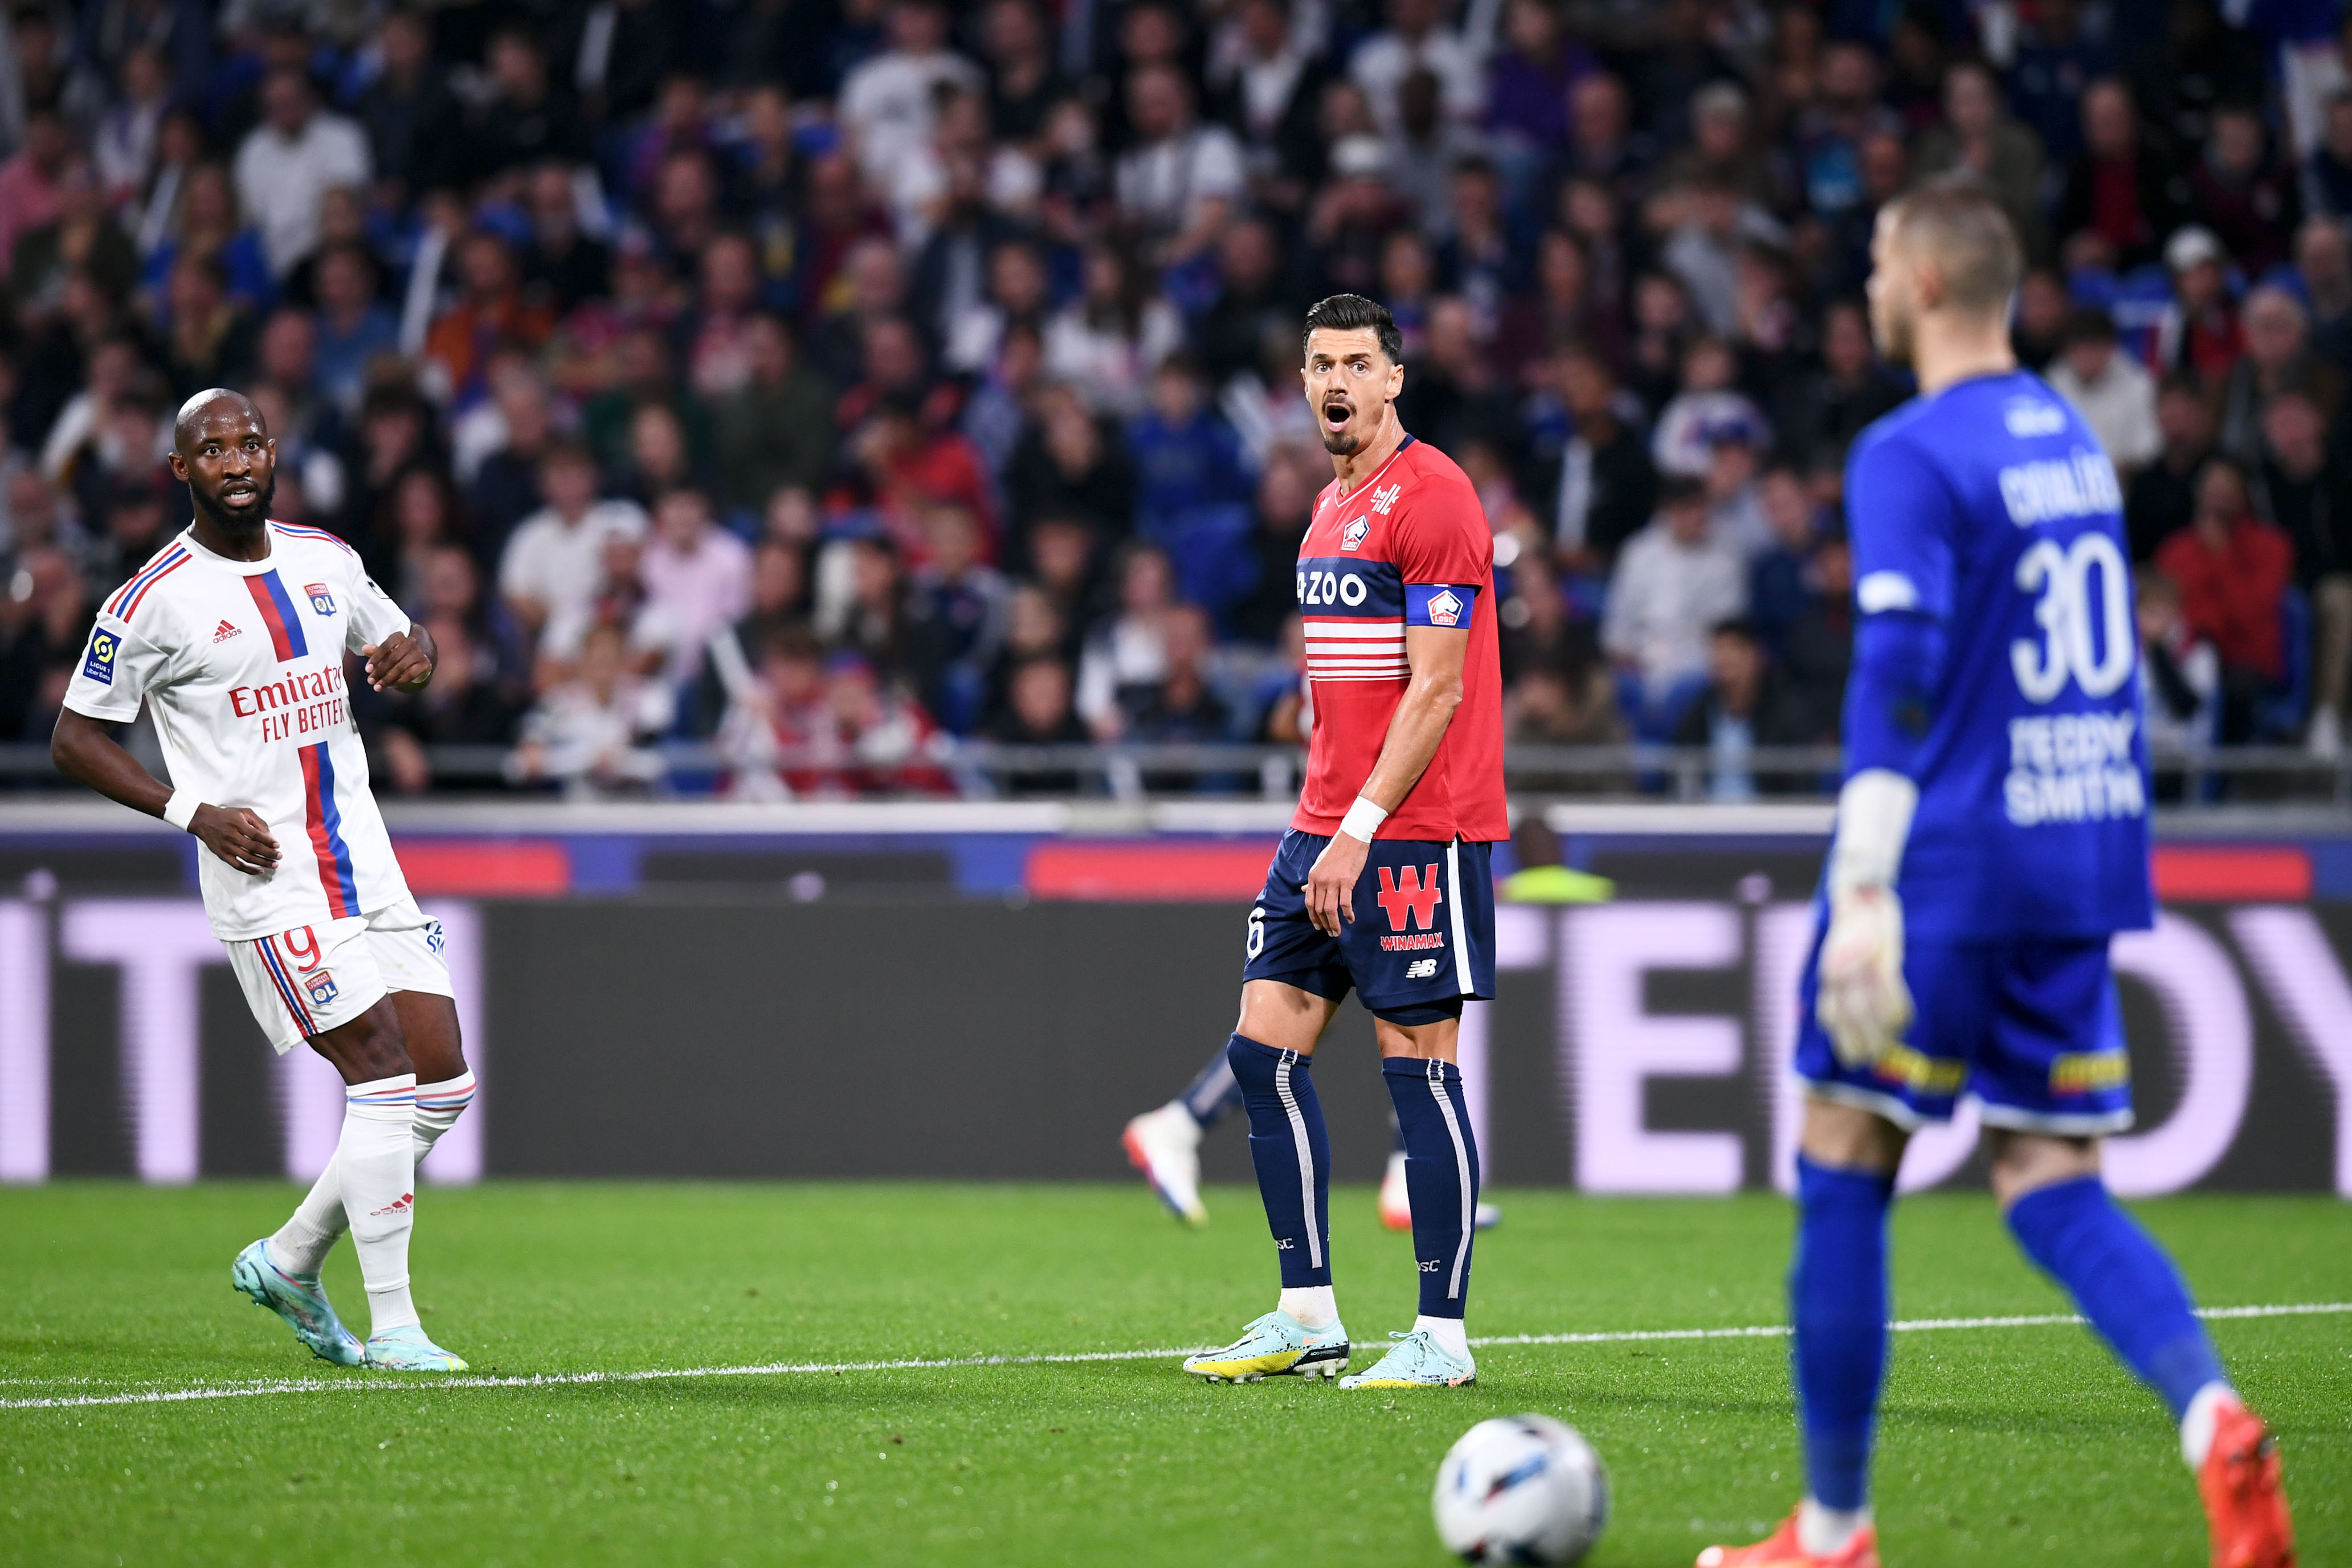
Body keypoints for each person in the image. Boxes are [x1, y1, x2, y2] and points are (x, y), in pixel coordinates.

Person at [1698, 185, 2293, 1568]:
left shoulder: (1910, 449)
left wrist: (1861, 884)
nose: (1862, 285)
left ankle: (1834, 1529)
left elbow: (1899, 675)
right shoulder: (2068, 437)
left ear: (1915, 277)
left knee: (1846, 1153)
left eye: (1870, 263)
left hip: (1952, 866)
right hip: (2080, 851)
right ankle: (2212, 1416)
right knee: (2050, 1173)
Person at [47, 389, 471, 1375]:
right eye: (212, 449)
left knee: (442, 1085)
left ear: (272, 454)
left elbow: (402, 645)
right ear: (180, 471)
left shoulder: (328, 560)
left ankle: (288, 1261)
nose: (235, 461)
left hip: (364, 860)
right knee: (381, 1074)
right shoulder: (150, 600)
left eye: (249, 443)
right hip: (268, 879)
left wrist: (418, 656)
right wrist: (189, 813)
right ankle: (397, 1326)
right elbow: (75, 737)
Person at [1173, 293, 1500, 1394]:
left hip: (1413, 833)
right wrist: (1326, 817)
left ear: (1395, 378)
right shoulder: (1326, 510)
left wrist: (1359, 831)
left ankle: (1442, 1337)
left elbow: (1439, 688)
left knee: (1421, 1075)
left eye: (1357, 362)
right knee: (1263, 1056)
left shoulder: (1438, 497)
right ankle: (1307, 1315)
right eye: (1318, 363)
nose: (1335, 381)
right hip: (1321, 828)